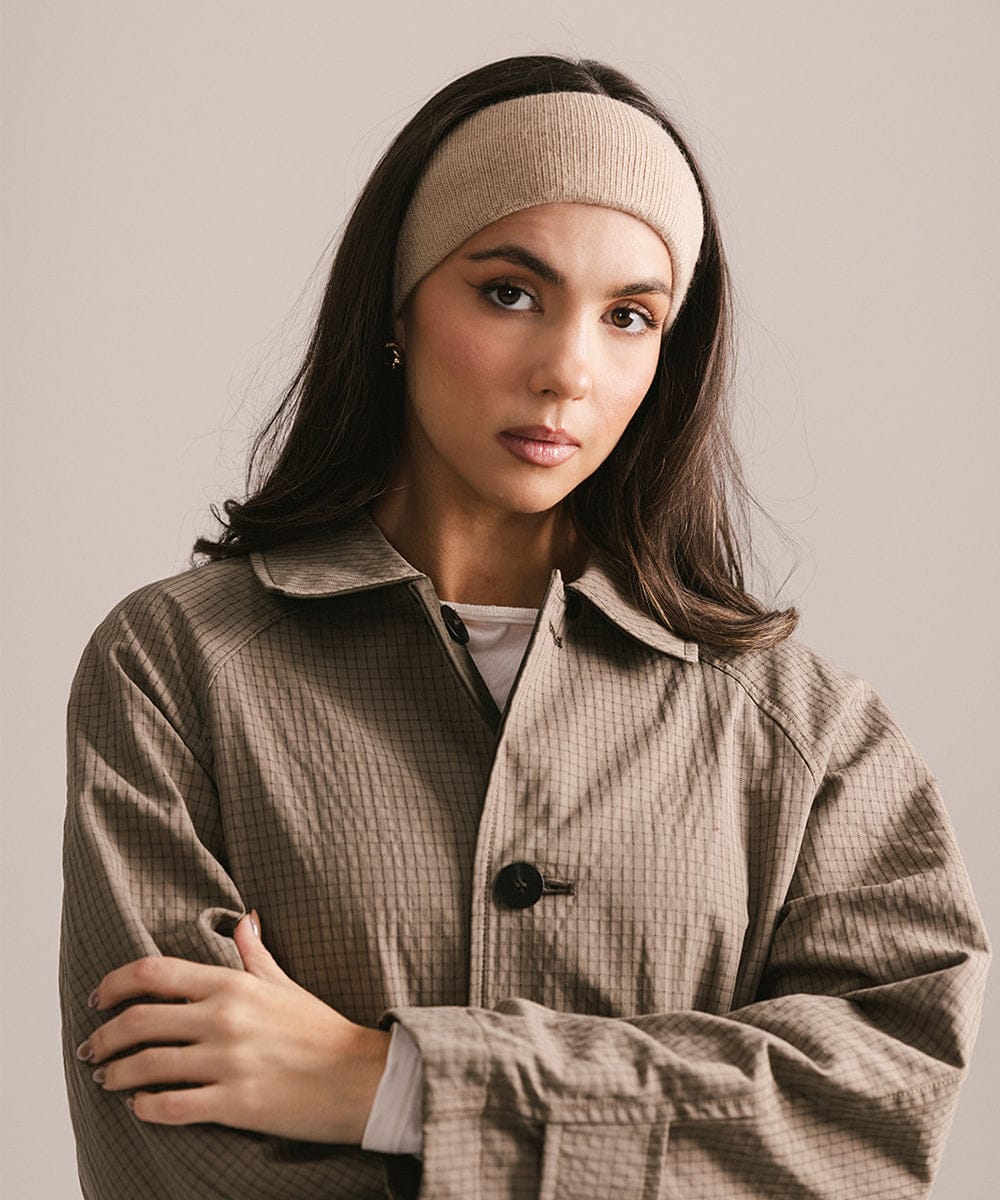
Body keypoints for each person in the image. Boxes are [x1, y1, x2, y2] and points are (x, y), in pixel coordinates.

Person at [60, 54, 989, 1200]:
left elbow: (872, 1116)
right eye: (508, 292)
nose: (566, 370)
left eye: (630, 317)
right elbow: (166, 1131)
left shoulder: (806, 734)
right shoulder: (178, 667)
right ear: (398, 306)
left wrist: (392, 1084)